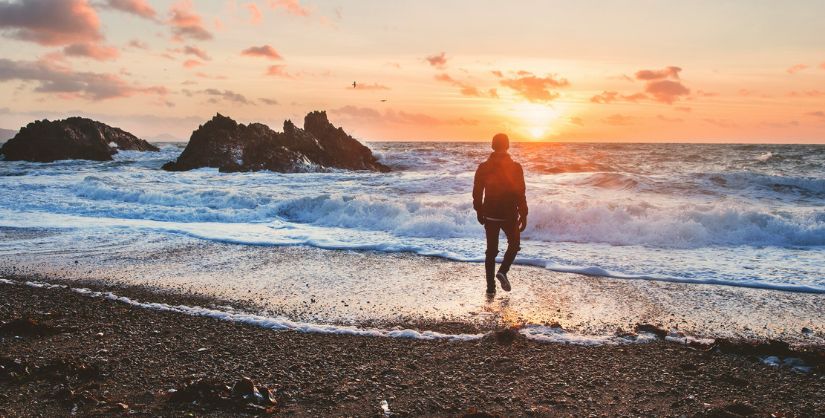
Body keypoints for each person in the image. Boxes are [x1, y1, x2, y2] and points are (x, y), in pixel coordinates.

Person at [472, 133, 528, 294]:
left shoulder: (483, 167)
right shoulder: (516, 167)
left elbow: (477, 191)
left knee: (491, 251)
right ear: (508, 145)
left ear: (492, 145)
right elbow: (520, 192)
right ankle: (503, 271)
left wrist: (479, 210)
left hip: (490, 213)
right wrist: (523, 214)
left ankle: (490, 288)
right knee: (514, 244)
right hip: (509, 213)